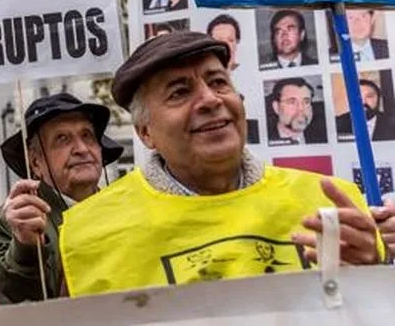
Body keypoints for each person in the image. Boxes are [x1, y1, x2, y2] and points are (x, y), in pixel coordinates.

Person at [59, 32, 387, 298]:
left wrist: (374, 276)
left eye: (218, 82)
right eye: (179, 92)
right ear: (146, 133)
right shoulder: (88, 234)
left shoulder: (331, 203)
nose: (211, 100)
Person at [0, 92, 123, 302]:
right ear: (36, 163)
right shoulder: (5, 224)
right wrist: (24, 249)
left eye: (87, 136)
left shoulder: (126, 208)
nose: (81, 149)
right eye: (62, 139)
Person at [267, 77, 327, 145]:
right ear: (276, 107)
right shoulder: (263, 138)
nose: (301, 108)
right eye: (292, 102)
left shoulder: (323, 136)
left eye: (306, 102)